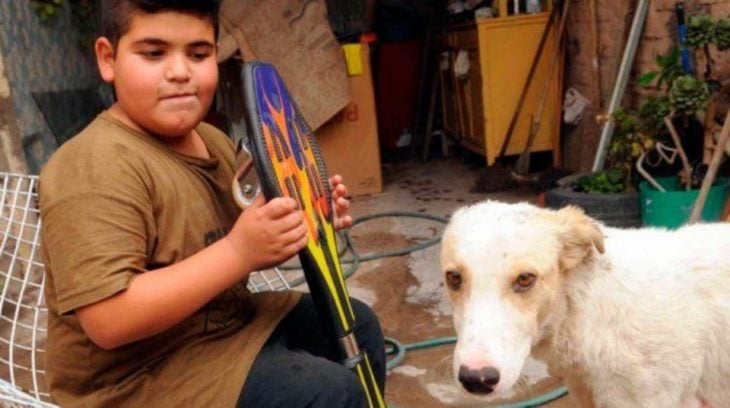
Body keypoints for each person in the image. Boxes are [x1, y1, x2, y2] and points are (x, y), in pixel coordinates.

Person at [38, 1, 386, 407]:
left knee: (358, 325)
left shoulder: (215, 142)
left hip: (223, 327)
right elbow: (109, 320)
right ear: (108, 59)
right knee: (325, 392)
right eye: (154, 53)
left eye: (199, 54)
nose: (180, 72)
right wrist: (239, 251)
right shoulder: (93, 166)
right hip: (136, 378)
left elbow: (245, 233)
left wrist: (302, 219)